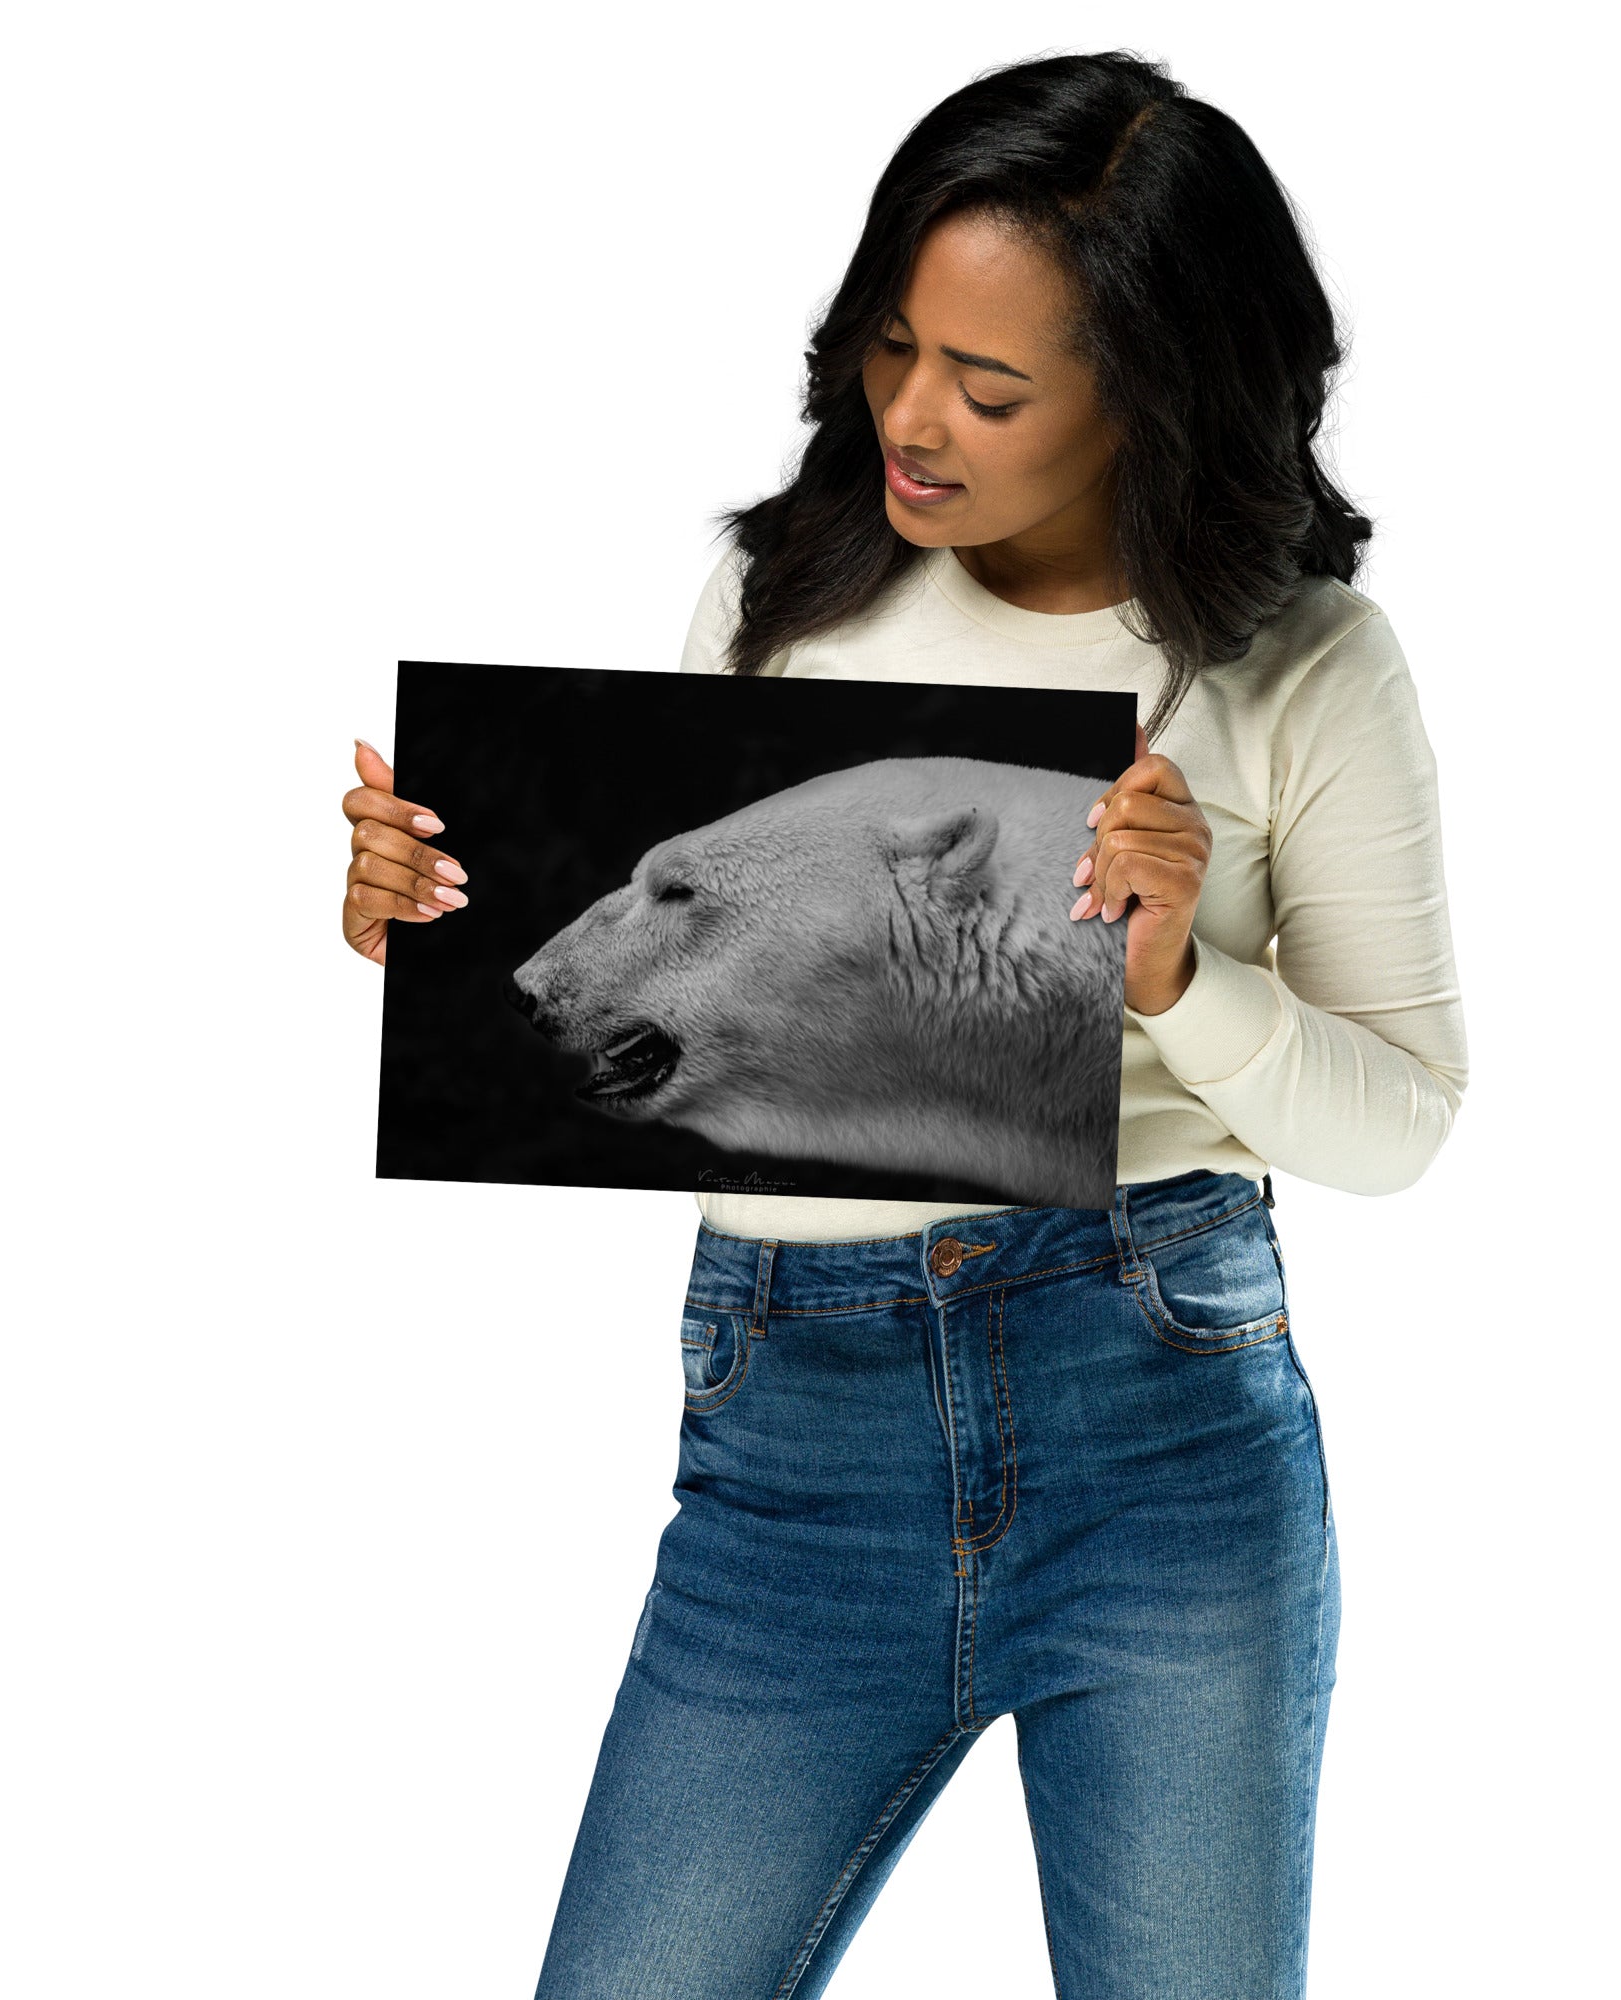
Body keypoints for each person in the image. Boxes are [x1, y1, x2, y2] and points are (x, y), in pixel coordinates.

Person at [342, 50, 1468, 2000]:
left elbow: (1399, 1127)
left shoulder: (1303, 666)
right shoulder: (778, 597)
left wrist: (1181, 978)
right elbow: (666, 1017)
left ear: (1152, 397)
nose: (910, 418)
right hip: (791, 1450)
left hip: (1161, 1432)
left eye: (990, 384)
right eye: (888, 346)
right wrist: (424, 934)